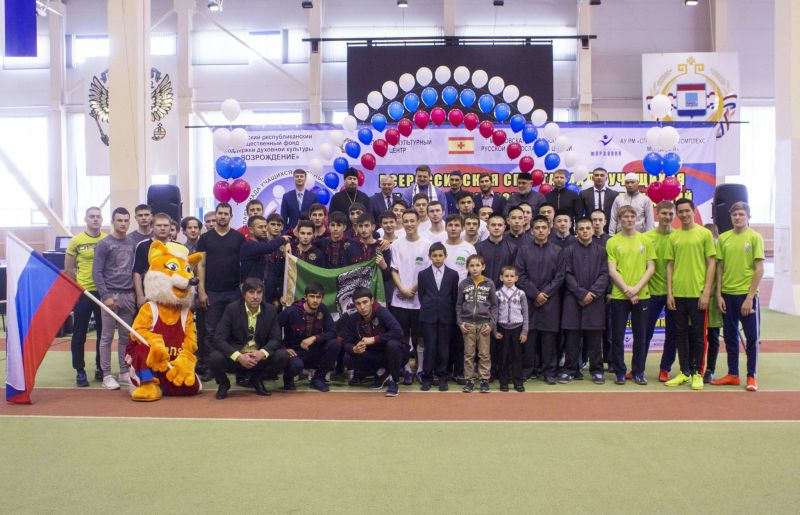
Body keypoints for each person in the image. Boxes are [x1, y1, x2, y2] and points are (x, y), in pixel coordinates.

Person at [711, 202, 764, 392]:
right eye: (734, 215)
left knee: (751, 338)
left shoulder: (755, 237)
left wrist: (750, 297)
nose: (737, 217)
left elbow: (759, 269)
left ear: (748, 216)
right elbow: (719, 268)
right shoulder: (724, 238)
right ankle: (733, 374)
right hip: (727, 295)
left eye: (741, 214)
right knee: (730, 337)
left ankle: (751, 376)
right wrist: (719, 294)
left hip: (747, 296)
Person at [664, 198, 716, 390]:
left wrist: (706, 292)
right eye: (681, 211)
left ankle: (697, 373)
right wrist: (670, 293)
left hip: (698, 294)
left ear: (693, 211)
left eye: (687, 210)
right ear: (677, 214)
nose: (684, 214)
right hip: (678, 294)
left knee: (698, 335)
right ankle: (684, 372)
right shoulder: (674, 236)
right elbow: (670, 265)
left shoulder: (704, 234)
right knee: (680, 334)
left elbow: (711, 263)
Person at [209, 278, 289, 399]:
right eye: (251, 292)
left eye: (259, 292)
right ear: (244, 294)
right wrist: (239, 356)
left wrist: (262, 353)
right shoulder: (232, 309)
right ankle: (224, 384)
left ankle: (257, 379)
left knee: (282, 356)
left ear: (263, 294)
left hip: (259, 359)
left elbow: (276, 339)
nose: (255, 296)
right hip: (237, 358)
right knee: (215, 357)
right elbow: (219, 339)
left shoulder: (270, 310)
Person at [197, 202, 247, 381]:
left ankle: (237, 368)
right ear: (215, 215)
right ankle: (211, 368)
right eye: (220, 213)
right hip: (212, 292)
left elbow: (243, 264)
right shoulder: (205, 238)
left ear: (231, 216)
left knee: (235, 331)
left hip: (234, 292)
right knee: (210, 333)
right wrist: (201, 291)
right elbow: (201, 265)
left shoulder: (239, 238)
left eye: (226, 213)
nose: (223, 216)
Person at [607, 206, 656, 385]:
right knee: (617, 336)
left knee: (640, 336)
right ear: (619, 220)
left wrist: (636, 289)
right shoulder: (612, 242)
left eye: (632, 216)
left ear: (637, 219)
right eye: (625, 217)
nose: (629, 219)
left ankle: (638, 372)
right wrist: (627, 290)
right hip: (619, 296)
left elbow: (651, 268)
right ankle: (620, 372)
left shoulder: (646, 240)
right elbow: (612, 270)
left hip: (642, 295)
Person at [516, 215, 565, 384]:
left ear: (549, 230)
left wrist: (545, 294)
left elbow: (560, 276)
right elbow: (520, 275)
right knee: (529, 336)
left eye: (544, 228)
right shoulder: (523, 250)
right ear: (531, 230)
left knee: (549, 338)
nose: (541, 231)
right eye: (537, 228)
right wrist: (535, 294)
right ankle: (527, 369)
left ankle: (549, 371)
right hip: (529, 300)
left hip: (551, 301)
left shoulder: (558, 250)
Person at [92, 207, 136, 390]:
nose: (123, 224)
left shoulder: (132, 243)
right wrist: (105, 295)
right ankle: (107, 375)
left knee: (125, 336)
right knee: (107, 337)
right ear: (113, 222)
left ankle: (124, 371)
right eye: (119, 220)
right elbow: (97, 272)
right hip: (111, 295)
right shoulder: (104, 244)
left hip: (128, 295)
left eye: (126, 220)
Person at [560, 218, 608, 385]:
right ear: (576, 231)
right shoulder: (568, 251)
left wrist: (592, 293)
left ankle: (597, 370)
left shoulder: (601, 251)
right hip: (573, 300)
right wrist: (581, 294)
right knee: (572, 339)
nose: (585, 231)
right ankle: (569, 370)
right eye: (581, 228)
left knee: (595, 339)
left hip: (595, 300)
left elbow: (604, 274)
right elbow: (567, 274)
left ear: (593, 230)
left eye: (588, 228)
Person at [65, 206, 106, 386]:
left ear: (102, 219)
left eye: (98, 216)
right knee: (79, 333)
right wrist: (80, 287)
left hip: (103, 292)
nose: (95, 219)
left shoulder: (106, 239)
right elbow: (68, 269)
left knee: (103, 334)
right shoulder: (76, 240)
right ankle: (80, 371)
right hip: (84, 293)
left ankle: (100, 368)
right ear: (86, 219)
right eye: (92, 216)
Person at [390, 209, 431, 384]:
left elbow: (427, 272)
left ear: (418, 222)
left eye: (412, 221)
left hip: (419, 301)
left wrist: (412, 290)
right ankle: (406, 368)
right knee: (402, 337)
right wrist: (402, 288)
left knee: (421, 338)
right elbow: (394, 269)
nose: (409, 224)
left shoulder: (427, 244)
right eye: (406, 221)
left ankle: (420, 369)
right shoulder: (396, 245)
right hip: (399, 300)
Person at [342, 287, 407, 397]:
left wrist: (374, 339)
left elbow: (398, 332)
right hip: (373, 355)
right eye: (358, 304)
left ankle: (394, 381)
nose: (362, 307)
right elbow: (346, 343)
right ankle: (381, 373)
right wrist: (354, 349)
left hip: (393, 353)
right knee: (348, 358)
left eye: (365, 302)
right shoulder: (353, 319)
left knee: (393, 345)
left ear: (372, 301)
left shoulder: (382, 312)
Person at [279, 282, 341, 392]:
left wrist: (314, 338)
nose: (315, 300)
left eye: (318, 297)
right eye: (312, 296)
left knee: (335, 344)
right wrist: (284, 348)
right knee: (295, 365)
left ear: (322, 298)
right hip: (295, 351)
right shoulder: (291, 311)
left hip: (315, 350)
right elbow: (273, 330)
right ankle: (288, 379)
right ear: (305, 297)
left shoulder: (323, 310)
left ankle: (318, 379)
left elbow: (332, 332)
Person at [417, 242, 459, 391]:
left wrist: (450, 314)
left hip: (446, 316)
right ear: (430, 257)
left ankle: (442, 377)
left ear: (445, 256)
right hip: (429, 316)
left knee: (443, 348)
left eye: (440, 255)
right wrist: (430, 306)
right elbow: (421, 295)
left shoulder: (453, 274)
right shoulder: (423, 274)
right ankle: (427, 377)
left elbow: (454, 296)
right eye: (434, 255)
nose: (438, 258)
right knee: (430, 347)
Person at [643, 201, 677, 383]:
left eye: (670, 214)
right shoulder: (646, 238)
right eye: (664, 213)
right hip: (651, 293)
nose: (667, 217)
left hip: (675, 294)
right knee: (645, 333)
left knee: (672, 334)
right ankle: (638, 368)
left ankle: (665, 368)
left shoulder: (679, 237)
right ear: (657, 214)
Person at [457, 254, 498, 393]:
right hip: (467, 324)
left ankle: (484, 380)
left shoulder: (489, 283)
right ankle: (469, 380)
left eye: (477, 265)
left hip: (484, 324)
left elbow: (494, 306)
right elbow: (458, 305)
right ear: (467, 268)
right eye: (472, 266)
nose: (475, 268)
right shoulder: (463, 284)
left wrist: (491, 324)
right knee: (469, 354)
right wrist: (460, 322)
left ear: (483, 267)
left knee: (484, 354)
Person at [494, 266, 528, 392]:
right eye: (506, 276)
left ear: (516, 278)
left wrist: (524, 331)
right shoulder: (497, 294)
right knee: (503, 357)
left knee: (517, 357)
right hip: (502, 329)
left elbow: (525, 313)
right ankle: (503, 382)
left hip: (517, 328)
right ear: (501, 278)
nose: (509, 279)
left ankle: (518, 382)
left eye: (512, 276)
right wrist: (494, 330)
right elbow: (494, 313)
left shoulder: (521, 293)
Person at [132, 213, 173, 308]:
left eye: (166, 225)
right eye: (159, 225)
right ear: (152, 227)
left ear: (170, 227)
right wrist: (140, 295)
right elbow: (137, 272)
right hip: (148, 296)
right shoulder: (142, 246)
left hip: (171, 296)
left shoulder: (178, 247)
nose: (162, 228)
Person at [702, 223, 724, 383]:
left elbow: (721, 274)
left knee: (713, 336)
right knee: (696, 336)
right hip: (697, 297)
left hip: (714, 300)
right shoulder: (698, 250)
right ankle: (694, 367)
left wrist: (716, 293)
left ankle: (710, 369)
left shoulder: (719, 252)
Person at [240, 215, 291, 281]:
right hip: (250, 286)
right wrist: (283, 238)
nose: (264, 230)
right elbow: (269, 247)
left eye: (265, 226)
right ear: (251, 230)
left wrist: (287, 243)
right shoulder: (248, 245)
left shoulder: (264, 243)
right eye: (260, 227)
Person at [475, 213, 518, 288]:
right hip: (482, 290)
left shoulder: (512, 248)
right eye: (493, 225)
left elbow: (515, 272)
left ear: (504, 227)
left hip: (505, 291)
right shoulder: (478, 248)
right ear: (487, 227)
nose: (496, 228)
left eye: (500, 225)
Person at [346, 214, 391, 278]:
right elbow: (345, 273)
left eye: (366, 225)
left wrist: (384, 266)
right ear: (357, 228)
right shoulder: (351, 248)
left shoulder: (382, 246)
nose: (363, 229)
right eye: (360, 226)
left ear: (373, 227)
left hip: (377, 284)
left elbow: (388, 277)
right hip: (356, 284)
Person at [580, 167, 618, 231]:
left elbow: (616, 214)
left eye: (602, 175)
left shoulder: (613, 194)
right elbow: (580, 214)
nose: (599, 177)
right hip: (589, 228)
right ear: (592, 178)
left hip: (608, 228)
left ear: (606, 178)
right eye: (596, 175)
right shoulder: (584, 194)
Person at [442, 214, 476, 282]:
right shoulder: (440, 247)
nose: (453, 228)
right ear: (445, 228)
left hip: (462, 287)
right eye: (450, 225)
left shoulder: (470, 248)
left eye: (457, 225)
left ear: (462, 228)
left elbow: (474, 271)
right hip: (442, 287)